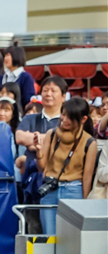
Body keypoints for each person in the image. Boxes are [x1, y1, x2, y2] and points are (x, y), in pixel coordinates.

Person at [38, 98, 99, 234]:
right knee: (49, 235)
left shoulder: (89, 142)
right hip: (50, 188)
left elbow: (87, 178)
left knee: (72, 238)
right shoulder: (52, 134)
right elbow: (41, 167)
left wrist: (85, 204)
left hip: (74, 190)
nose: (64, 119)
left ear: (83, 119)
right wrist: (38, 151)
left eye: (70, 117)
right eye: (63, 114)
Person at [0, 44, 37, 110]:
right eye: (5, 55)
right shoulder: (2, 77)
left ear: (16, 56)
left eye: (7, 55)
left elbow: (28, 101)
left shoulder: (26, 77)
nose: (5, 58)